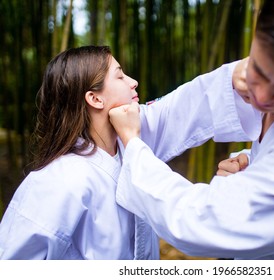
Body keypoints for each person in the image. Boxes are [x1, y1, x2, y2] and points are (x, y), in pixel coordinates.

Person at [110, 0, 274, 259]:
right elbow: (189, 105)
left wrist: (134, 146)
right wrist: (255, 161)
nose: (261, 97)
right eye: (259, 70)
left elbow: (202, 222)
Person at [0, 46, 260, 259]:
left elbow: (184, 105)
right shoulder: (57, 180)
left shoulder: (131, 139)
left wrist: (236, 76)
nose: (134, 82)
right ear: (95, 99)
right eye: (120, 76)